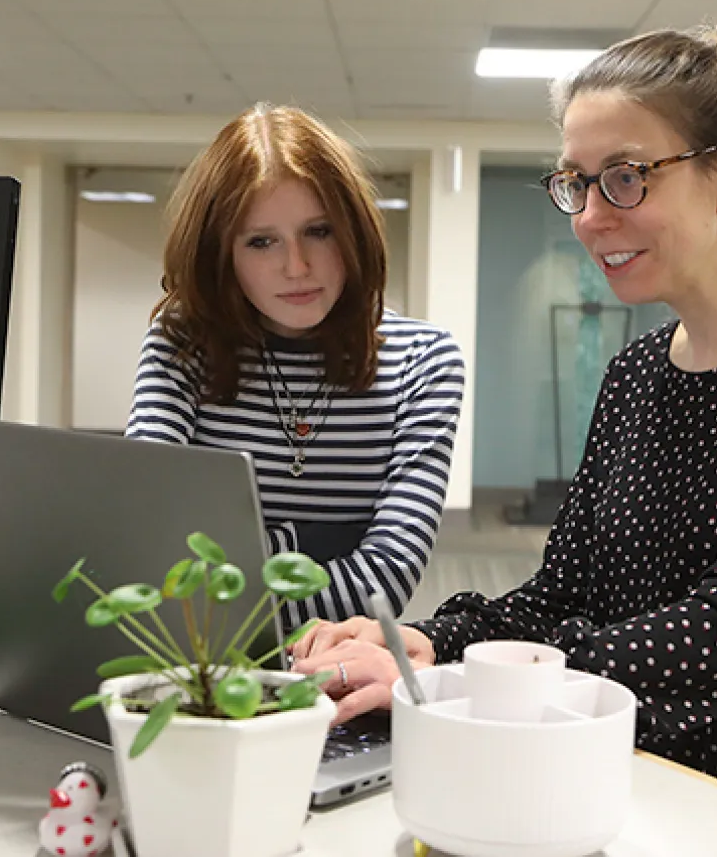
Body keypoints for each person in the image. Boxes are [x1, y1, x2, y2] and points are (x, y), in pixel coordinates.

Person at [289, 14, 717, 854]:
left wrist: (459, 678)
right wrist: (425, 638)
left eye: (625, 178)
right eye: (575, 183)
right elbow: (564, 595)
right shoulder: (637, 377)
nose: (590, 217)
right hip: (625, 788)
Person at [126, 103, 466, 634]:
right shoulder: (181, 344)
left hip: (332, 666)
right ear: (222, 254)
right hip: (198, 669)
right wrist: (314, 542)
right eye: (261, 241)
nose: (297, 266)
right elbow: (151, 543)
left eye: (319, 231)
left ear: (353, 231)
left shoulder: (424, 361)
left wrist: (244, 555)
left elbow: (387, 580)